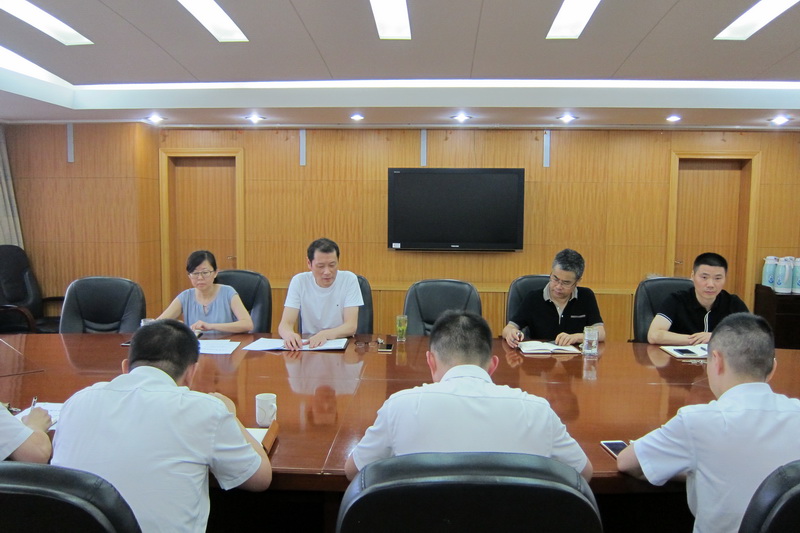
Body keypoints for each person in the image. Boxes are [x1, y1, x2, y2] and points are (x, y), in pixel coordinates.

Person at [52, 319, 271, 532]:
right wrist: (230, 415)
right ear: (191, 373)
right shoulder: (204, 409)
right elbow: (259, 478)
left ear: (125, 367)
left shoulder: (76, 402)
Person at [345, 310, 591, 482]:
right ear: (493, 365)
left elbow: (353, 471)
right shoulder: (538, 411)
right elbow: (583, 473)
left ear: (430, 361)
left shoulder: (400, 407)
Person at [618, 313, 800, 533]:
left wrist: (698, 468)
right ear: (772, 369)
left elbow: (628, 462)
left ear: (717, 361)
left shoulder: (697, 421)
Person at [503, 248, 605, 347]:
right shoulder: (533, 298)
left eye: (566, 283)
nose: (558, 286)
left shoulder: (586, 296)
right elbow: (509, 328)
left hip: (575, 357)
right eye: (555, 279)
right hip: (540, 356)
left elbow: (601, 333)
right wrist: (511, 333)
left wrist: (577, 337)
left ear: (577, 281)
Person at [647, 252, 748, 346]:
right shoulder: (676, 300)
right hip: (679, 358)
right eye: (704, 277)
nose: (710, 284)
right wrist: (698, 339)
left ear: (725, 278)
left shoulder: (733, 303)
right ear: (693, 276)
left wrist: (715, 337)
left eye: (717, 278)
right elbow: (654, 335)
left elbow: (752, 335)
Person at [279, 238, 363, 349]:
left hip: (341, 346)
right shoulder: (299, 281)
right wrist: (289, 335)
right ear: (309, 263)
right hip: (309, 346)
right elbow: (285, 324)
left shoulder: (349, 279)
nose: (327, 272)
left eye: (332, 265)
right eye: (320, 266)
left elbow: (351, 326)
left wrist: (324, 334)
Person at [158, 250, 254, 333]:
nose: (200, 277)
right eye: (195, 273)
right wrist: (176, 325)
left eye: (205, 272)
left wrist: (211, 326)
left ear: (215, 273)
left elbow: (247, 324)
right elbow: (158, 324)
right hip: (196, 346)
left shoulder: (228, 292)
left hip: (227, 345)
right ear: (189, 276)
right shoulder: (185, 297)